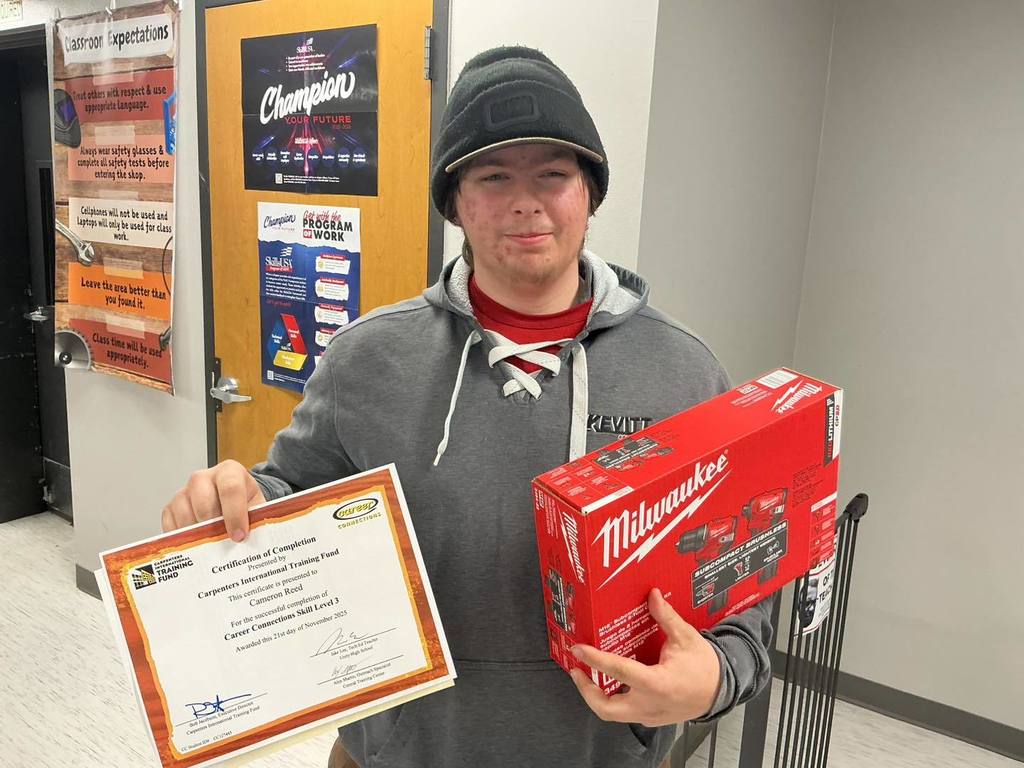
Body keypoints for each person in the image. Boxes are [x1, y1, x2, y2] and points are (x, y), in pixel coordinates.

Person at [162, 46, 773, 768]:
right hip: (396, 753)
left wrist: (718, 679)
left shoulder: (682, 372)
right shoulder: (366, 358)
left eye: (554, 174)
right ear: (454, 202)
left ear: (590, 194)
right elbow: (288, 498)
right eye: (492, 176)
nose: (526, 201)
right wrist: (236, 498)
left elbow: (741, 585)